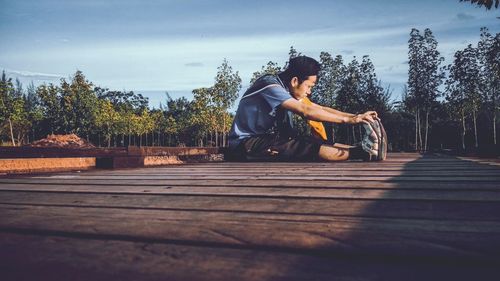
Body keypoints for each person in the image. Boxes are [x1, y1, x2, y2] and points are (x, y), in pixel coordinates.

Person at [227, 55, 386, 162]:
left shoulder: (286, 89)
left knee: (314, 140)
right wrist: (350, 120)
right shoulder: (270, 86)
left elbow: (319, 108)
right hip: (245, 144)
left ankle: (366, 149)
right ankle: (364, 154)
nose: (309, 91)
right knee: (305, 147)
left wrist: (358, 116)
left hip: (266, 138)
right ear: (295, 81)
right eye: (309, 86)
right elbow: (306, 111)